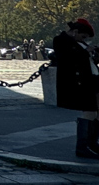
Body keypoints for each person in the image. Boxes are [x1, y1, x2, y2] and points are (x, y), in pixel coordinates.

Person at [53, 18, 99, 159]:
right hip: (80, 83)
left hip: (92, 79)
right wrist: (86, 51)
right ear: (75, 32)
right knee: (89, 112)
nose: (84, 39)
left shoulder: (79, 43)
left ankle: (91, 143)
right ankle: (82, 146)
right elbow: (68, 57)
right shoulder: (61, 40)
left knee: (95, 112)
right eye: (83, 36)